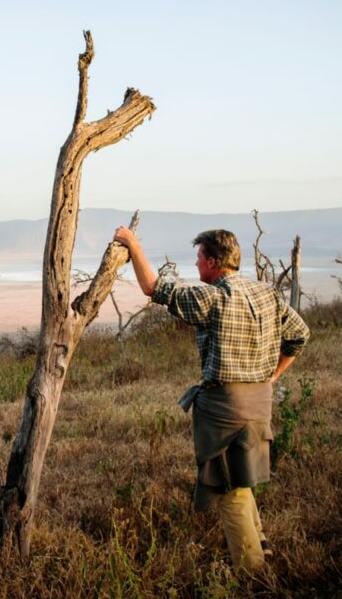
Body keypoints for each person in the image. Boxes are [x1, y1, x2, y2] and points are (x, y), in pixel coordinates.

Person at [112, 227, 310, 572]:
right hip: (260, 403)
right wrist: (273, 376)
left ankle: (253, 574)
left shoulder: (213, 298)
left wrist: (133, 244)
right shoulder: (268, 295)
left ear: (214, 262)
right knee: (241, 478)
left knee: (227, 488)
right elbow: (300, 336)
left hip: (224, 409)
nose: (196, 263)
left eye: (200, 257)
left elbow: (153, 288)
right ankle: (263, 551)